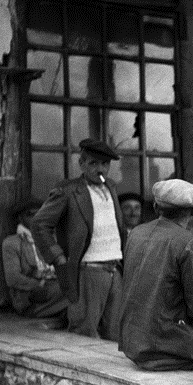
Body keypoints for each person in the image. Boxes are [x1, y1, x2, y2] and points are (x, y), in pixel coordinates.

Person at [118, 179, 193, 371]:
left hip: (132, 343)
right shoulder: (189, 243)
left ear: (156, 207)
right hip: (166, 347)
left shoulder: (136, 233)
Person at [32, 138, 126, 340]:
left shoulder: (111, 187)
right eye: (93, 163)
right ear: (82, 165)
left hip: (114, 270)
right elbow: (40, 224)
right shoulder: (68, 191)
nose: (99, 169)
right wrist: (58, 257)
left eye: (105, 164)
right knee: (84, 334)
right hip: (87, 272)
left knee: (115, 335)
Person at [1, 198, 67, 320]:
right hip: (30, 295)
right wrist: (38, 283)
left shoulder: (49, 239)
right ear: (20, 218)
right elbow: (12, 278)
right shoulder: (12, 243)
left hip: (52, 286)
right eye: (31, 214)